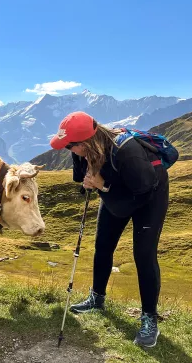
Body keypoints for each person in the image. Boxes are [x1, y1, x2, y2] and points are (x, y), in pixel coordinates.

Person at [49, 111, 170, 348]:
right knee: (103, 245)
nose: (69, 151)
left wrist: (103, 186)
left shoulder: (128, 152)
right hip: (114, 192)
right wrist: (90, 182)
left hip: (149, 195)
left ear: (85, 143)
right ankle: (97, 298)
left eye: (70, 146)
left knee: (143, 255)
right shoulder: (83, 152)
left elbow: (142, 191)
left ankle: (149, 320)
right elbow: (82, 178)